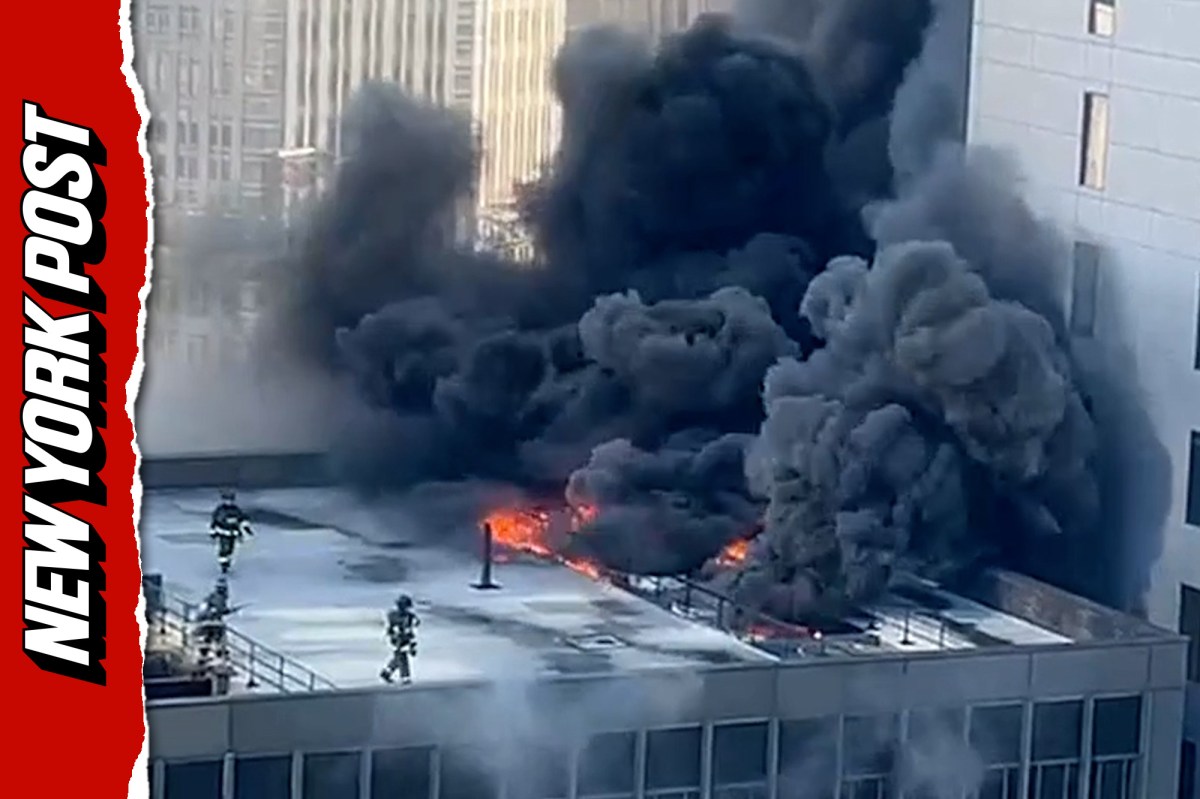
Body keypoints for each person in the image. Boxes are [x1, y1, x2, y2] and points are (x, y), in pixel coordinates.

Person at [210, 489, 252, 574]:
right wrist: (213, 532)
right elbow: (215, 521)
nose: (229, 502)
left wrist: (247, 530)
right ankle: (223, 566)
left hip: (233, 533)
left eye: (230, 500)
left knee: (231, 549)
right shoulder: (220, 510)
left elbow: (242, 520)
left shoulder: (236, 510)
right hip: (223, 533)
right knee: (224, 549)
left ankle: (227, 562)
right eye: (227, 500)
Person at [380, 594, 420, 684]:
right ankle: (405, 677)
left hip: (404, 638)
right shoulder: (394, 616)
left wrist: (412, 644)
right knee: (402, 656)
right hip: (397, 639)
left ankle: (386, 673)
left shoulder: (408, 616)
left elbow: (413, 626)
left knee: (398, 657)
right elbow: (391, 628)